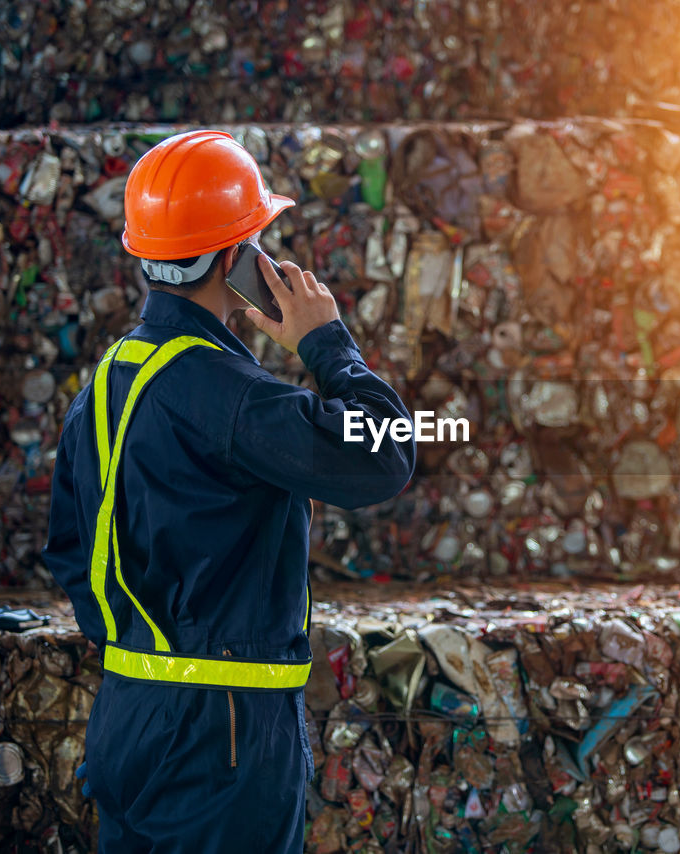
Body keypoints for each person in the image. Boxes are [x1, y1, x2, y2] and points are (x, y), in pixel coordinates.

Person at [43, 130, 416, 853]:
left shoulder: (106, 383)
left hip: (126, 715)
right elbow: (387, 451)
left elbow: (68, 551)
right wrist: (326, 343)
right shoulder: (235, 397)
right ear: (232, 259)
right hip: (226, 735)